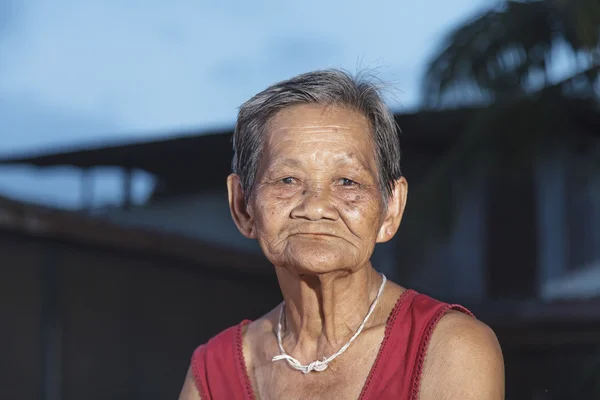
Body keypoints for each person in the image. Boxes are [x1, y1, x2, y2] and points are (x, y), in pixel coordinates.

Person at [178, 69, 505, 400]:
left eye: (347, 181)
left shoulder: (449, 349)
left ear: (390, 208)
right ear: (243, 206)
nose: (316, 206)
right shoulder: (213, 373)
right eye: (287, 180)